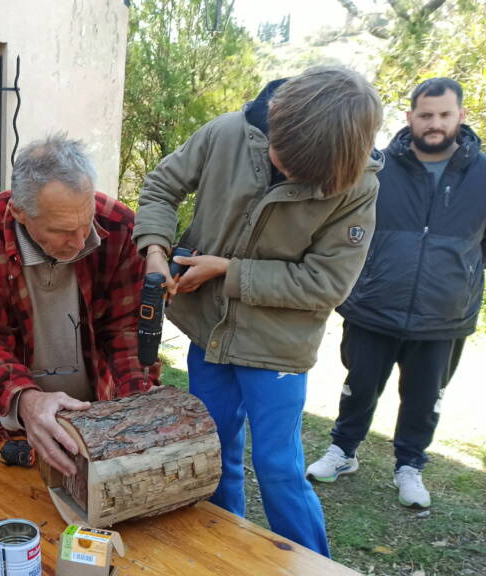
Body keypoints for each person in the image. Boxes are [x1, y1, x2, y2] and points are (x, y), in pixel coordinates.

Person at [134, 67, 384, 556]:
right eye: (281, 160)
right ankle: (227, 557)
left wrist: (228, 271)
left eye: (303, 176)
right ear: (275, 122)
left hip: (277, 349)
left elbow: (326, 283)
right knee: (216, 455)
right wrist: (155, 250)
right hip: (210, 333)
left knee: (279, 469)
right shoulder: (226, 132)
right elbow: (161, 187)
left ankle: (315, 565)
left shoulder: (358, 186)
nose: (287, 176)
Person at [307, 78, 486, 509]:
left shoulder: (482, 174)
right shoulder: (378, 167)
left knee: (424, 399)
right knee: (359, 386)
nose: (434, 123)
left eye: (444, 114)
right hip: (373, 305)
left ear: (461, 115)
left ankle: (409, 466)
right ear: (410, 117)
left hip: (444, 316)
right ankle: (343, 451)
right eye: (426, 115)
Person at [0, 133, 159, 476]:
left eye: (85, 223)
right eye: (62, 231)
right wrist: (27, 401)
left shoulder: (120, 227)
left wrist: (135, 407)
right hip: (16, 415)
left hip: (99, 414)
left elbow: (126, 331)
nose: (79, 242)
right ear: (19, 212)